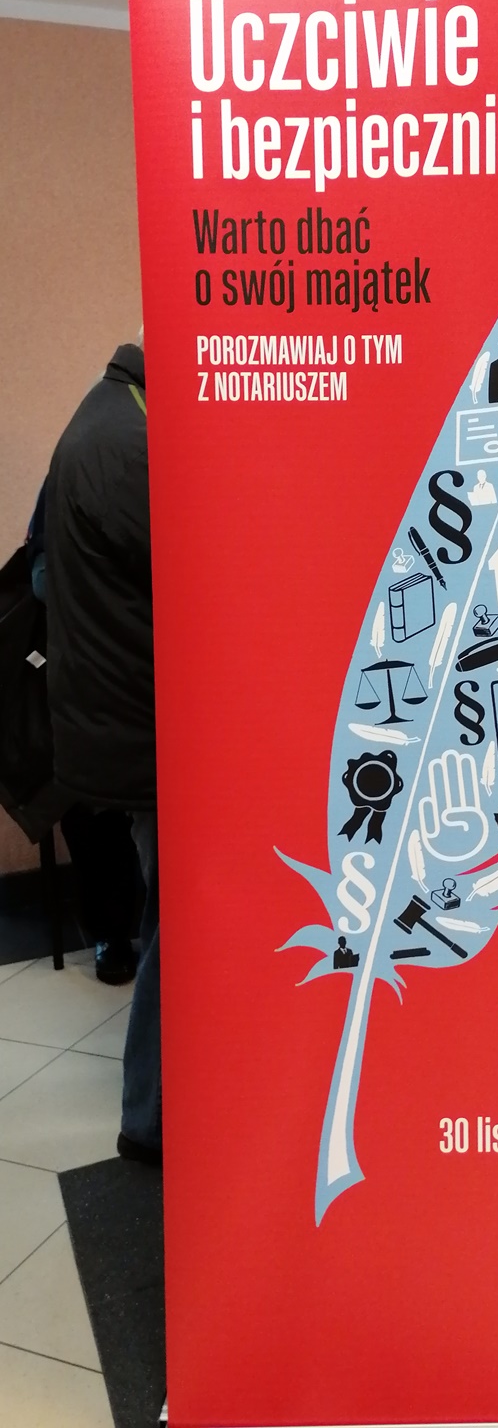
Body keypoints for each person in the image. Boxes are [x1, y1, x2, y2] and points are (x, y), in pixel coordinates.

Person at [44, 330, 161, 1164]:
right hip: (141, 730)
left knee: (172, 920)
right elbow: (195, 570)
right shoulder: (128, 441)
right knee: (184, 931)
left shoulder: (105, 416)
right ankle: (149, 1122)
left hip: (115, 722)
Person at [27, 481, 142, 985]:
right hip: (90, 670)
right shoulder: (72, 477)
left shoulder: (170, 472)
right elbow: (41, 581)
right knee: (92, 807)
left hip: (154, 672)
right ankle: (110, 931)